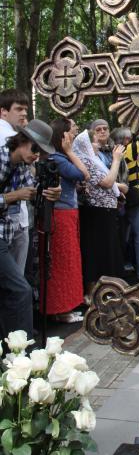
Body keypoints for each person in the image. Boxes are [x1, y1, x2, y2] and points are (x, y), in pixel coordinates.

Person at [0, 119, 60, 339]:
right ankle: (22, 353)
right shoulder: (1, 157)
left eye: (41, 152)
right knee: (21, 290)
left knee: (8, 292)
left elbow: (34, 190)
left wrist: (52, 192)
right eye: (35, 148)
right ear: (22, 141)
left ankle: (9, 349)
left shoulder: (23, 166)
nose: (37, 155)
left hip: (5, 233)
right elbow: (19, 194)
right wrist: (12, 197)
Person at [39, 118, 89, 323]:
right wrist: (69, 151)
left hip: (67, 213)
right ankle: (59, 309)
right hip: (59, 215)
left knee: (69, 260)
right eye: (71, 132)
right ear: (62, 135)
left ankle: (67, 307)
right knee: (61, 261)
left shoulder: (58, 157)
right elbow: (83, 174)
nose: (74, 135)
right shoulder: (57, 158)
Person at [73, 130, 126, 301]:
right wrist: (116, 159)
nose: (97, 143)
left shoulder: (94, 160)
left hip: (106, 212)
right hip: (96, 213)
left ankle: (110, 290)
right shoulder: (86, 160)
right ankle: (94, 294)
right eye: (93, 141)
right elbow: (107, 182)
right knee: (96, 254)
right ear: (86, 145)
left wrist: (118, 191)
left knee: (108, 252)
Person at [112, 127, 139, 282]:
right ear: (126, 140)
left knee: (126, 235)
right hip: (133, 197)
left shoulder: (118, 151)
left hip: (125, 198)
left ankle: (131, 266)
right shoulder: (129, 148)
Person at [0, 89, 31, 272]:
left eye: (26, 109)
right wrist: (13, 196)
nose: (24, 114)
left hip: (14, 220)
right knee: (16, 284)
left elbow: (29, 181)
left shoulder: (17, 136)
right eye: (19, 109)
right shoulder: (10, 140)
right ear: (3, 111)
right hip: (13, 221)